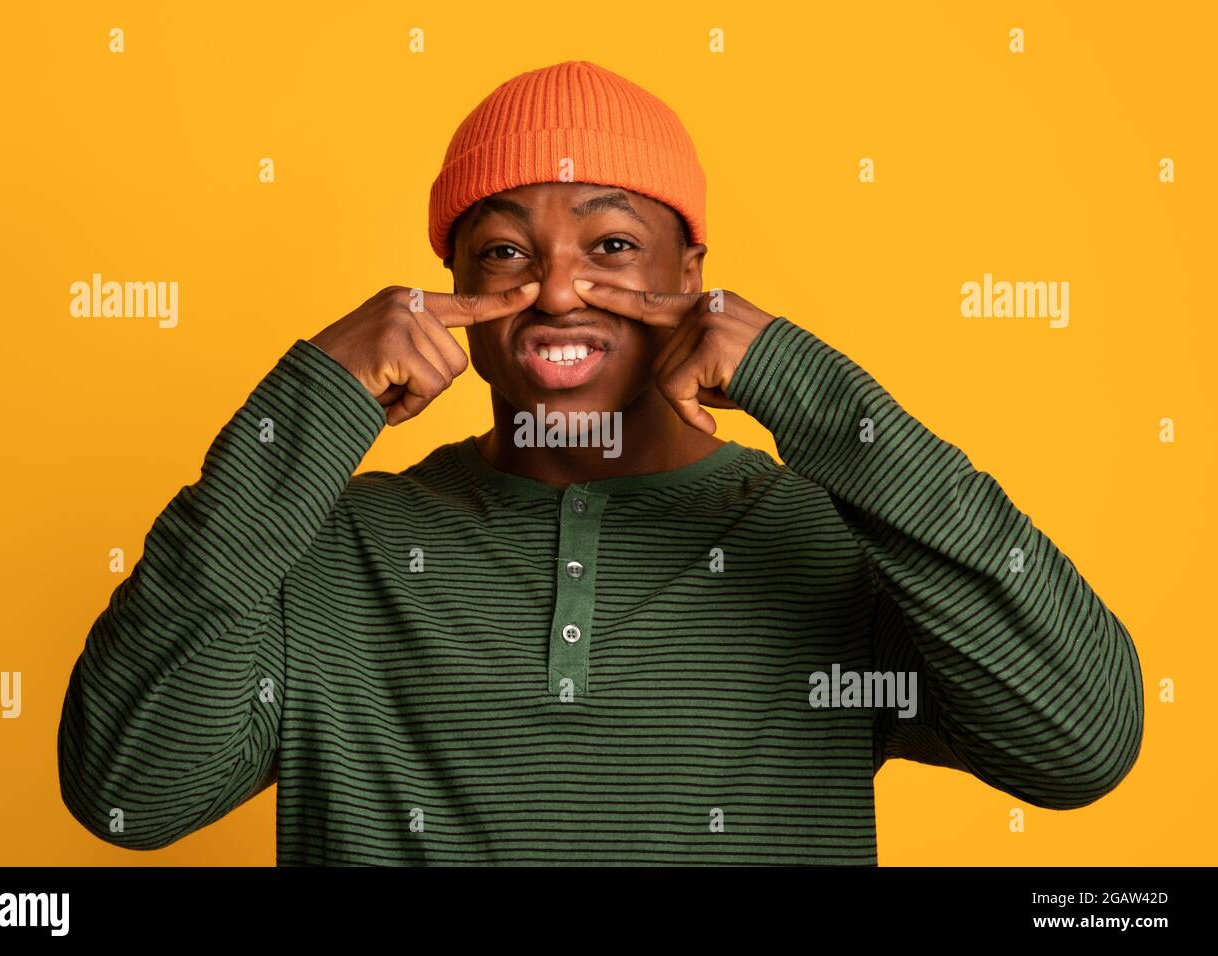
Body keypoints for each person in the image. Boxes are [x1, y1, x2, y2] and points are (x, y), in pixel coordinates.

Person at [57, 60, 1144, 865]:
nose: (560, 291)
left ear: (694, 272)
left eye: (612, 244)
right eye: (503, 251)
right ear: (451, 292)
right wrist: (301, 414)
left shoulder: (825, 540)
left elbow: (1081, 743)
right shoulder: (330, 544)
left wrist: (813, 391)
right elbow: (128, 794)